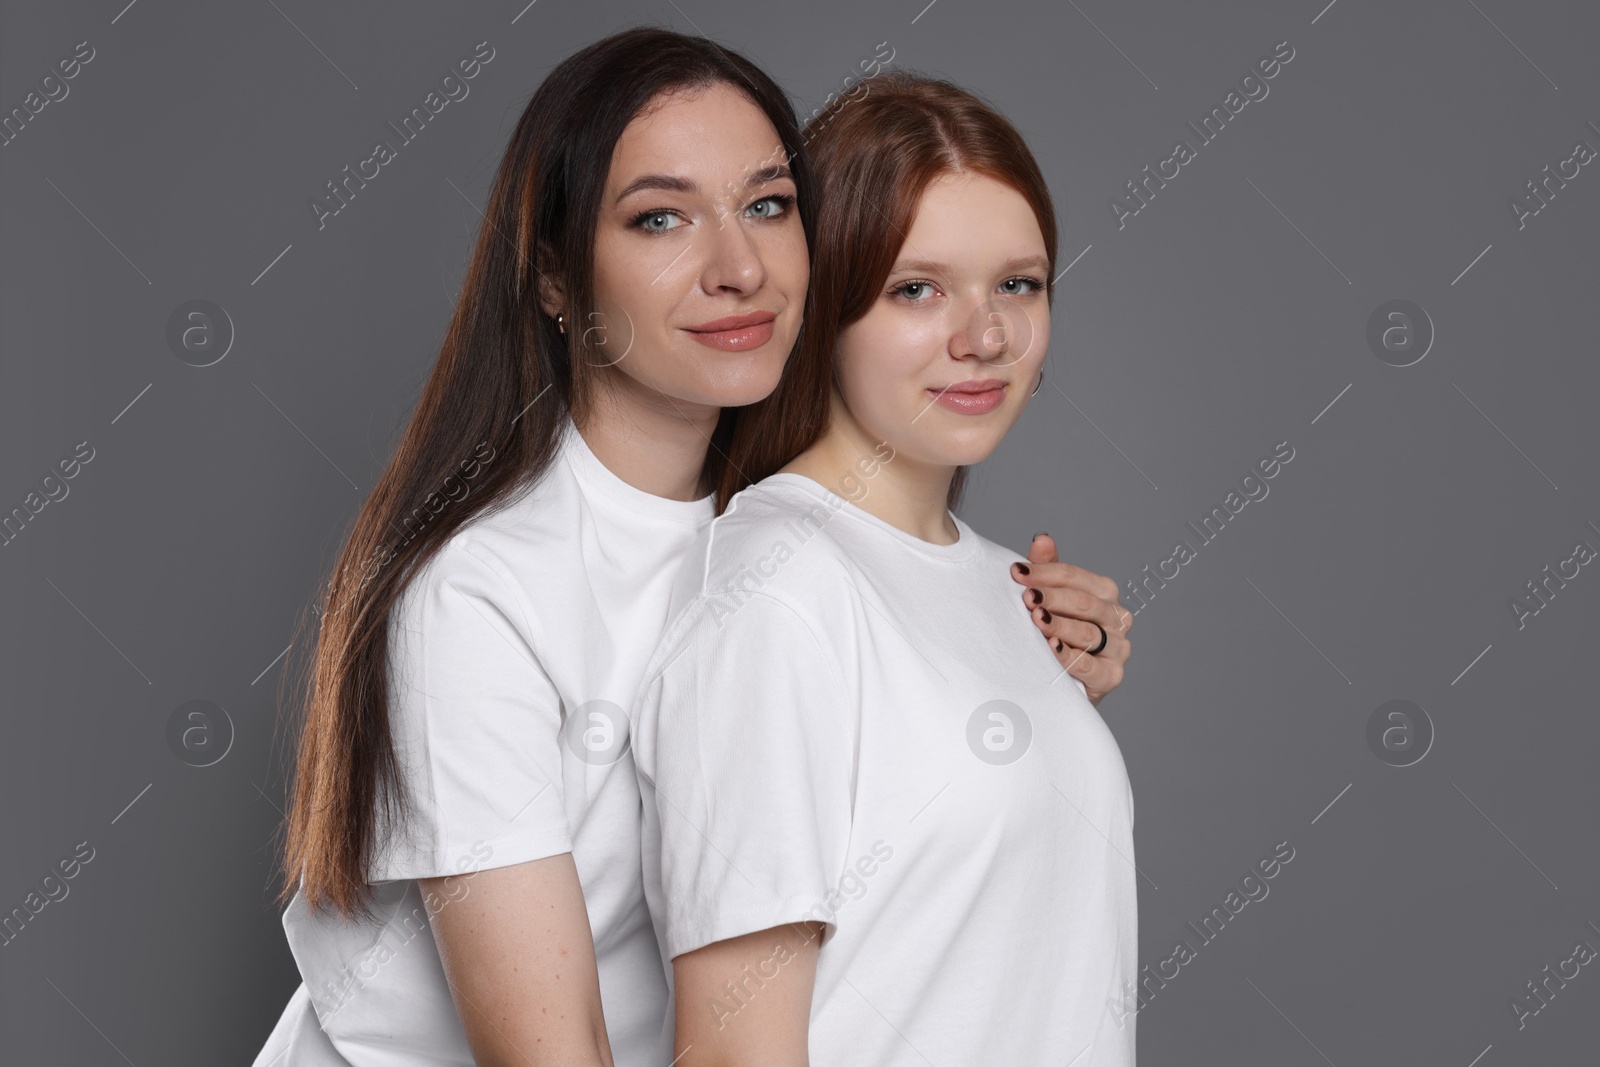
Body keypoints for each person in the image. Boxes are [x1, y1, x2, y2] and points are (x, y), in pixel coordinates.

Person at [253, 28, 1126, 1067]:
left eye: (767, 205)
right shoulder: (481, 594)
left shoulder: (798, 532)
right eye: (659, 218)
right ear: (553, 280)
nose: (739, 266)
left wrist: (1014, 667)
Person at [635, 71, 1137, 1067]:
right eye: (916, 288)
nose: (984, 335)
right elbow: (738, 1051)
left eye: (1017, 283)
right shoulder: (777, 592)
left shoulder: (1014, 593)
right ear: (822, 304)